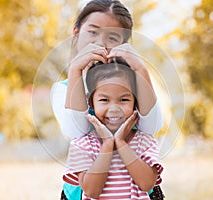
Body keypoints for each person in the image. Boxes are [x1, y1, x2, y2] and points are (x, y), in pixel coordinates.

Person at [50, 0, 163, 139]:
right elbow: (76, 131)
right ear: (76, 33)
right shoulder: (62, 89)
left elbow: (152, 127)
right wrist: (75, 69)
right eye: (92, 32)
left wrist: (141, 68)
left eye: (112, 38)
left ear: (123, 45)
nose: (100, 43)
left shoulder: (134, 81)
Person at [63, 60, 164, 199]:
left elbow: (147, 184)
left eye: (124, 100)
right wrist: (108, 144)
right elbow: (92, 191)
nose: (114, 108)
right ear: (91, 102)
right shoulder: (82, 144)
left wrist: (121, 143)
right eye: (104, 100)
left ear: (135, 102)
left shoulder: (145, 141)